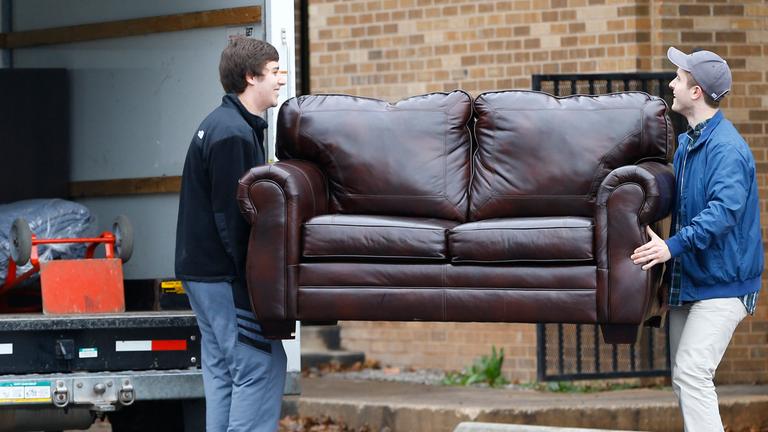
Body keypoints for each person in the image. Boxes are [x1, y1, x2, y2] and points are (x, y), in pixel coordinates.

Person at [631, 47, 763, 432]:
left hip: (724, 285)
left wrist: (669, 247)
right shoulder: (689, 144)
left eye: (679, 78)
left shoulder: (727, 149)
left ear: (696, 91)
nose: (671, 84)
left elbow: (722, 214)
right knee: (684, 378)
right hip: (692, 281)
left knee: (692, 373)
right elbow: (685, 211)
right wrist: (670, 276)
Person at [175, 36, 287, 432]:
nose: (281, 79)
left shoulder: (226, 125)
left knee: (224, 370)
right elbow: (233, 217)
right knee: (260, 364)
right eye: (274, 72)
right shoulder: (233, 135)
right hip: (223, 277)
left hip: (203, 273)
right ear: (250, 77)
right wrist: (255, 280)